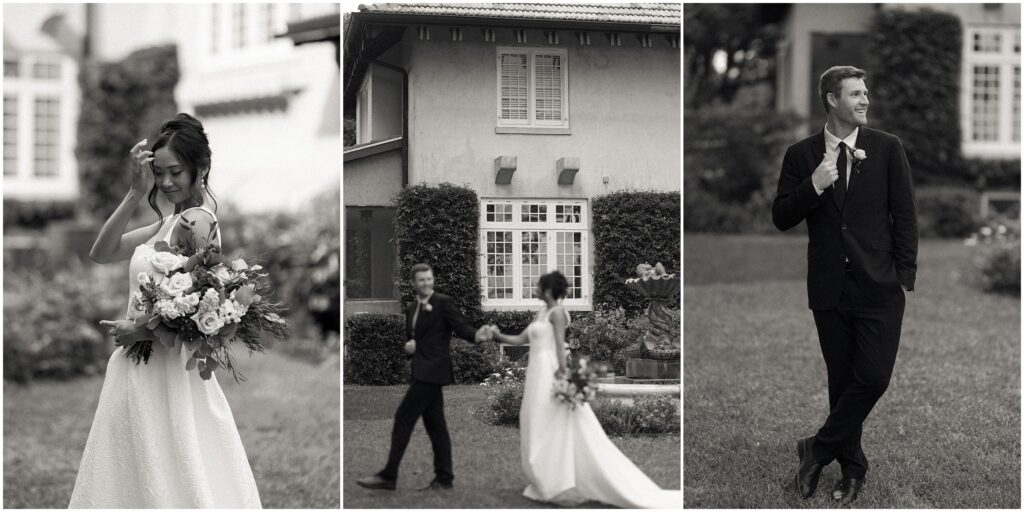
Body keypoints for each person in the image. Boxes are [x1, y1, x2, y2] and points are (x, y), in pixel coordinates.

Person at [69, 114, 261, 508]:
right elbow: (101, 252)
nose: (167, 182)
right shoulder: (169, 223)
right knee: (138, 463)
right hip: (138, 366)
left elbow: (211, 301)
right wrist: (134, 194)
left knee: (170, 462)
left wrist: (140, 331)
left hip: (165, 366)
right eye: (159, 173)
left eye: (176, 171)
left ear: (200, 168)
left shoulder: (197, 221)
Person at [772, 65, 918, 504]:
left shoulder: (887, 149)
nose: (865, 100)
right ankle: (854, 470)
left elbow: (906, 217)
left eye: (866, 93)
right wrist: (813, 186)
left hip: (880, 286)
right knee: (842, 381)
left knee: (873, 376)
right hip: (829, 287)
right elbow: (781, 217)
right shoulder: (801, 156)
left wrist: (903, 276)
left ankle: (816, 450)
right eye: (855, 93)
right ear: (832, 100)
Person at [492, 271, 680, 508]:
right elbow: (521, 340)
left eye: (539, 285)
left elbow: (560, 347)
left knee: (554, 423)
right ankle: (544, 480)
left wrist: (565, 377)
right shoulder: (541, 313)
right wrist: (498, 335)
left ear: (549, 290)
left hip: (550, 373)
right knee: (535, 421)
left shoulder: (558, 313)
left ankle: (560, 483)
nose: (536, 288)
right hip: (536, 375)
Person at [356, 263, 493, 491]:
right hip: (421, 369)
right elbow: (412, 341)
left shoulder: (443, 303)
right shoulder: (411, 309)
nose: (427, 283)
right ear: (413, 283)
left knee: (403, 417)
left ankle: (389, 476)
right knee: (436, 427)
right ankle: (444, 478)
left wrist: (478, 335)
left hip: (433, 372)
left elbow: (460, 328)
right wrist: (409, 348)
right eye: (422, 280)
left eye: (429, 279)